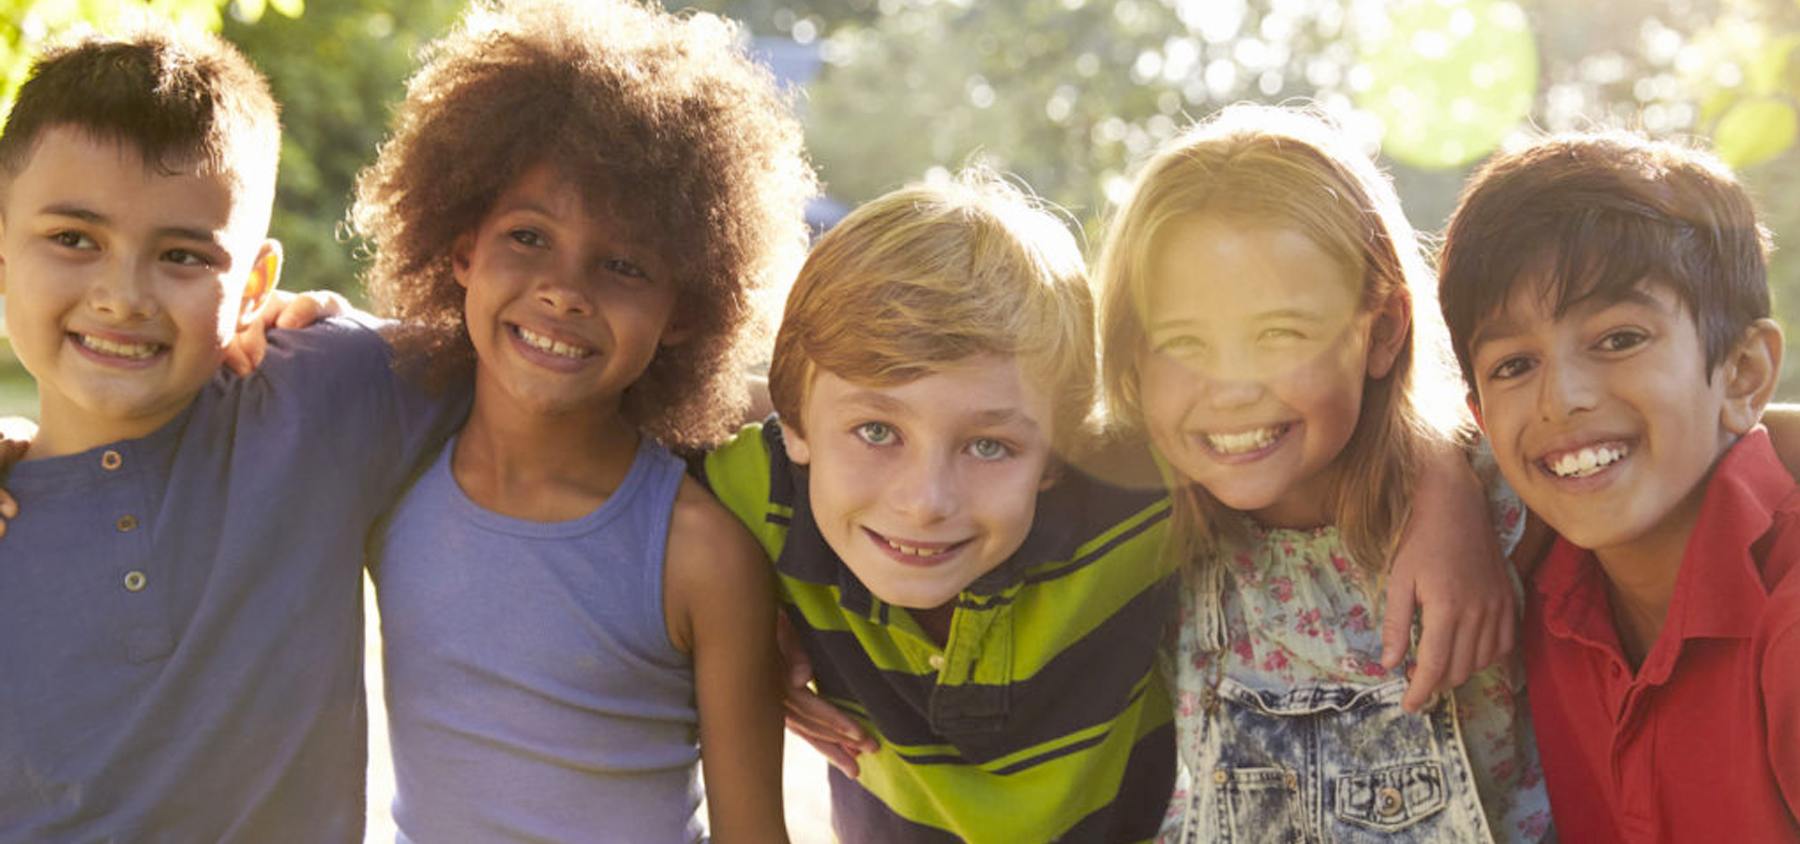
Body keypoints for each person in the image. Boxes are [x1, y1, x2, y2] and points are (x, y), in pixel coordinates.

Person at [701, 167, 1516, 842]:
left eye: (991, 446)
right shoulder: (746, 498)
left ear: (1059, 449)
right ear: (797, 420)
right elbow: (633, 438)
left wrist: (1440, 480)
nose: (924, 501)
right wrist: (738, 615)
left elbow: (1275, 433)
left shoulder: (1131, 496)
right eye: (877, 431)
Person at [349, 1, 815, 840]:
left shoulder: (700, 552)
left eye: (624, 264)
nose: (565, 290)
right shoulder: (386, 474)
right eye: (528, 236)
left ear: (686, 308)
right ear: (460, 250)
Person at [0, 23, 460, 841]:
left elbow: (560, 369)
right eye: (74, 239)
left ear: (254, 284)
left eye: (182, 256)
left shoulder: (323, 397)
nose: (122, 296)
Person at [1095, 104, 1551, 842]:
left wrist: (1442, 472)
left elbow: (1726, 449)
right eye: (1183, 341)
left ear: (1383, 330)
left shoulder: (1508, 493)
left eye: (1279, 333)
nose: (1233, 386)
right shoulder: (1134, 513)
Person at [1437, 131, 1800, 842]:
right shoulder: (1531, 583)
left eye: (1620, 339)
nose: (1561, 398)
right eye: (1513, 364)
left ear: (1743, 373)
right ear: (1478, 419)